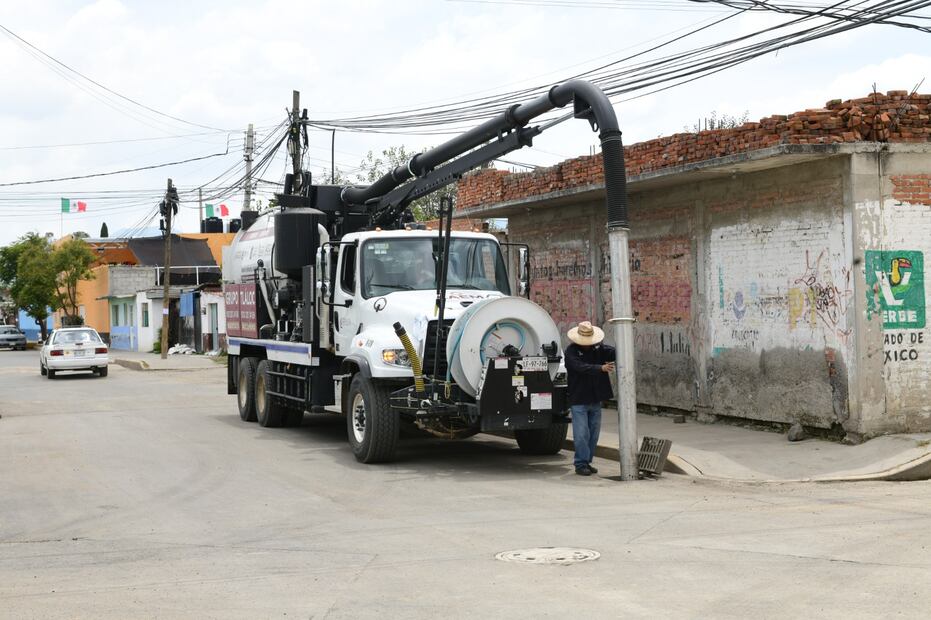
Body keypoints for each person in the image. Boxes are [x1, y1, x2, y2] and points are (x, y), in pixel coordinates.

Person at [564, 321, 616, 476]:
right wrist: (600, 368)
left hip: (595, 398)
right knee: (581, 434)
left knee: (593, 434)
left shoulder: (598, 349)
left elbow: (613, 352)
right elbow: (580, 367)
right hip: (579, 399)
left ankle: (586, 461)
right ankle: (580, 463)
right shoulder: (571, 352)